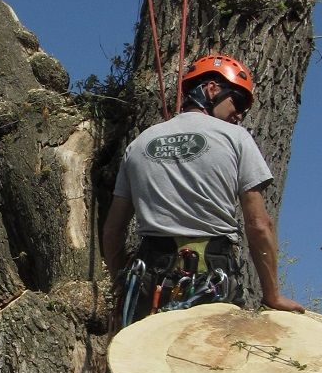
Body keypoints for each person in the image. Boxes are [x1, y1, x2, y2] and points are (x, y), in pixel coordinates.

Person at [102, 53, 305, 324]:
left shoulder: (139, 144)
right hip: (211, 275)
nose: (240, 114)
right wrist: (272, 295)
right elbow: (259, 224)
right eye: (239, 100)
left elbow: (113, 229)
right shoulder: (236, 138)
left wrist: (121, 284)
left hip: (149, 279)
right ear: (212, 89)